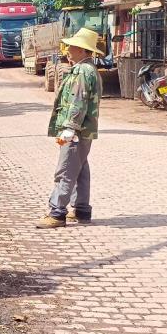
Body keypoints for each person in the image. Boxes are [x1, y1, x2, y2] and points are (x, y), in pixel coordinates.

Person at [36, 27, 102, 229]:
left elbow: (77, 102)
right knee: (80, 169)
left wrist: (70, 128)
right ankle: (81, 209)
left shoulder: (82, 72)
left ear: (82, 50)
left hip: (77, 131)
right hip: (84, 131)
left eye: (72, 47)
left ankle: (57, 213)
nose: (68, 50)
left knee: (65, 170)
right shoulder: (89, 69)